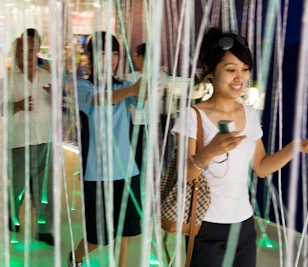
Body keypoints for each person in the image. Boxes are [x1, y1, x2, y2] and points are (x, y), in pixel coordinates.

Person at [171, 27, 308, 267]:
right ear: (211, 71)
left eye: (245, 70)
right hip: (205, 225)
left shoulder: (249, 115)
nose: (240, 78)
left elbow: (262, 167)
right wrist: (208, 153)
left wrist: (295, 146)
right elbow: (184, 176)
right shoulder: (193, 117)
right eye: (231, 70)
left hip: (244, 224)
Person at [68, 31, 144, 267]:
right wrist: (131, 92)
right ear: (90, 57)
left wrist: (145, 90)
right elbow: (97, 100)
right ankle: (76, 257)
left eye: (113, 53)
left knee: (127, 230)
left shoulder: (125, 84)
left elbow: (140, 102)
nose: (110, 58)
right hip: (97, 172)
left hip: (127, 169)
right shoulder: (83, 86)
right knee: (99, 235)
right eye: (103, 53)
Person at [0, 30, 55, 246]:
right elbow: (1, 108)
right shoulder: (9, 78)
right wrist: (18, 105)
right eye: (24, 49)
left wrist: (58, 96)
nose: (29, 53)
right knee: (18, 185)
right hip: (19, 140)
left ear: (37, 50)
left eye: (32, 49)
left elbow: (58, 105)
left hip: (44, 139)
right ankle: (12, 215)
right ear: (17, 52)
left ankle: (43, 229)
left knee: (45, 188)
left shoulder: (47, 76)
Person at [126, 42, 167, 171]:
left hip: (136, 123)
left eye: (135, 56)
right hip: (155, 123)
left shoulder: (131, 78)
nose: (135, 60)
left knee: (135, 160)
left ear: (141, 57)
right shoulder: (163, 76)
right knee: (151, 160)